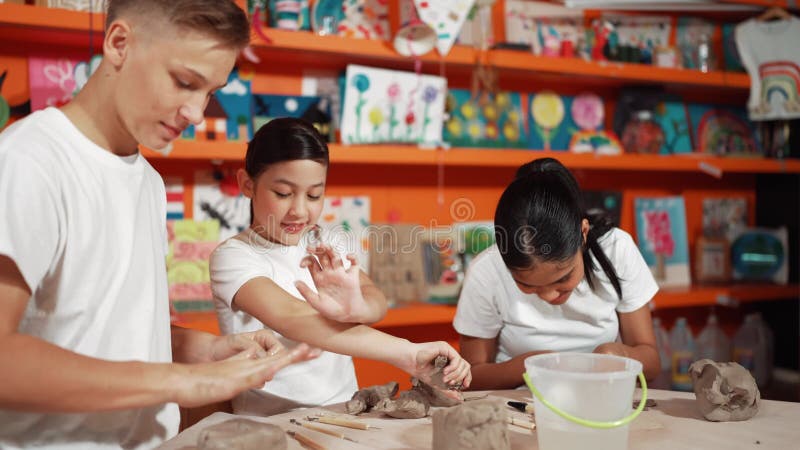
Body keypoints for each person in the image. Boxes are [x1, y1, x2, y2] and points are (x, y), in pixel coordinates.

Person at [0, 2, 317, 449]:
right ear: (119, 44)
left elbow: (110, 334)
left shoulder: (147, 181)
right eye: (185, 82)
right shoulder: (28, 162)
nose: (196, 113)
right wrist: (175, 382)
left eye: (209, 91)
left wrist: (205, 353)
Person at [210, 117, 472, 416]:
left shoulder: (327, 240)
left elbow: (375, 298)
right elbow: (293, 317)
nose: (299, 210)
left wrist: (358, 309)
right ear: (247, 184)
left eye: (314, 195)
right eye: (283, 193)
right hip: (270, 425)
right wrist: (409, 354)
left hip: (344, 411)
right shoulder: (234, 256)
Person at [453, 157, 660, 390]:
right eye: (527, 285)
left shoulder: (616, 249)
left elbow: (651, 363)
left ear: (583, 233)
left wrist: (613, 354)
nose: (550, 296)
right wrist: (529, 367)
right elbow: (470, 377)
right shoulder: (487, 270)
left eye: (563, 279)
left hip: (602, 399)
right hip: (518, 407)